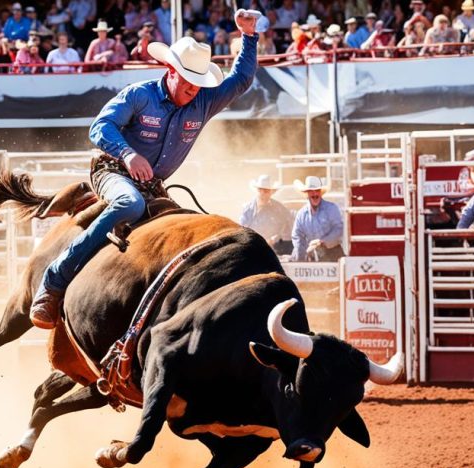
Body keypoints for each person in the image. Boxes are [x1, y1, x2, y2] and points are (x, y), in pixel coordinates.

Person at [28, 9, 268, 328]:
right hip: (112, 170)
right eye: (188, 82)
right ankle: (54, 280)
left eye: (199, 83)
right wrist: (128, 154)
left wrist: (249, 38)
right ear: (170, 69)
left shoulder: (203, 101)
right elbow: (101, 127)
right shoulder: (140, 95)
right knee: (130, 203)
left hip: (151, 183)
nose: (193, 89)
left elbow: (241, 80)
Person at [290, 176, 344, 262]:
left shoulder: (331, 208)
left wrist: (322, 242)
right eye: (311, 191)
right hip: (311, 256)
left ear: (320, 193)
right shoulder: (301, 214)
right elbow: (297, 236)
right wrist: (301, 254)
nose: (315, 194)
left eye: (317, 191)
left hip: (332, 254)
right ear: (306, 193)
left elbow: (338, 229)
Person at [239, 174, 294, 255]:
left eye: (266, 191)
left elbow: (287, 228)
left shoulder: (279, 209)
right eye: (260, 190)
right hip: (253, 248)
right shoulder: (248, 209)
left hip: (275, 250)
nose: (262, 194)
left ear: (271, 192)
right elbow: (242, 230)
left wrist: (274, 239)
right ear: (257, 191)